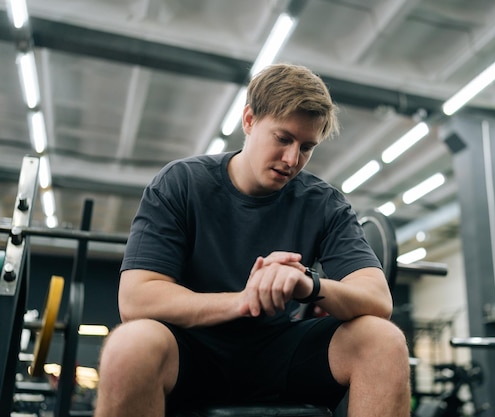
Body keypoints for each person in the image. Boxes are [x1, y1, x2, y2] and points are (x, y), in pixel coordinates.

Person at [94, 63, 410, 417]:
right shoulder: (180, 183)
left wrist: (308, 284)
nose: (292, 160)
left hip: (278, 354)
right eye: (283, 139)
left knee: (384, 341)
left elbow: (377, 299)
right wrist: (242, 301)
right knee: (128, 346)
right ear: (248, 120)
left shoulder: (324, 203)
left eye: (307, 147)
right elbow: (137, 297)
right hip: (190, 349)